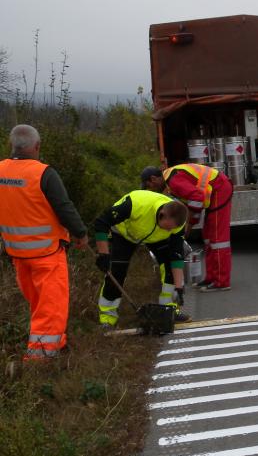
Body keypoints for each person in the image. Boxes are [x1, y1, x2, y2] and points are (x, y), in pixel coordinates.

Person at [0, 124, 88, 360]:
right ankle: (41, 359)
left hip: (17, 254)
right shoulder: (43, 173)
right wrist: (80, 233)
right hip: (46, 254)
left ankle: (56, 343)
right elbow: (64, 207)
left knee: (39, 305)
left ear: (12, 145)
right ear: (36, 146)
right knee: (51, 306)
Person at [92, 191, 189, 327]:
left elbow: (176, 256)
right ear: (162, 215)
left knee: (169, 266)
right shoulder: (136, 204)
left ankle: (169, 311)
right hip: (124, 233)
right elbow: (101, 222)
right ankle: (107, 318)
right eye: (168, 228)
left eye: (172, 229)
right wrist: (104, 255)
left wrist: (179, 287)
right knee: (117, 272)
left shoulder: (176, 225)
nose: (169, 231)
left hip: (155, 237)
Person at [141, 164, 232, 292]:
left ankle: (221, 281)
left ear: (153, 179)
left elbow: (197, 197)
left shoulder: (173, 181)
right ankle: (211, 277)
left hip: (220, 188)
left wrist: (192, 222)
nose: (151, 189)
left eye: (148, 185)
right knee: (207, 237)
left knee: (217, 239)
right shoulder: (170, 180)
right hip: (215, 189)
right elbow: (190, 201)